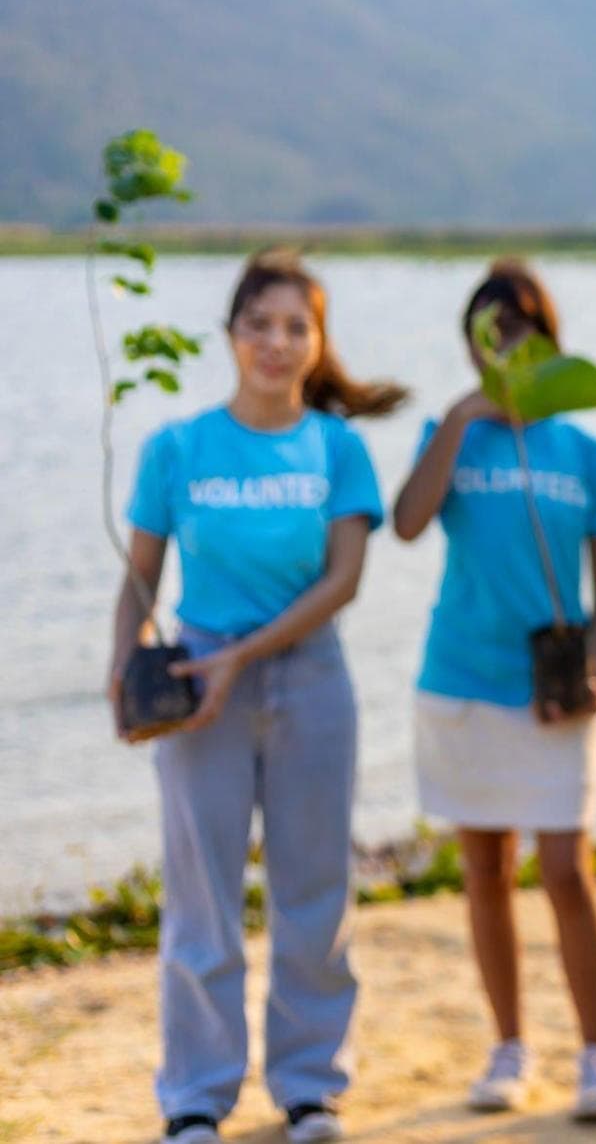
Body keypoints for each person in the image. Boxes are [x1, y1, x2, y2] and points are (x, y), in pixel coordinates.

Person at [109, 250, 405, 1144]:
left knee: (313, 892)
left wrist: (246, 654)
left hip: (310, 678)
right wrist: (127, 673)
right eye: (259, 325)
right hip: (199, 687)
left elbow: (345, 580)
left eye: (295, 328)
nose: (276, 343)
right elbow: (139, 581)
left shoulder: (337, 447)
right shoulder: (177, 447)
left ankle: (309, 1087)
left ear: (317, 344)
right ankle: (195, 1098)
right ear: (231, 336)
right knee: (201, 899)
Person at [390, 260, 596, 1121]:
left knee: (567, 871)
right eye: (489, 333)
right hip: (460, 679)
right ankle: (508, 1047)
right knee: (485, 868)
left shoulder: (584, 448)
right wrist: (458, 419)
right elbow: (407, 523)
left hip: (553, 690)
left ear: (545, 339)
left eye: (521, 330)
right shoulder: (454, 434)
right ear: (472, 343)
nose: (505, 346)